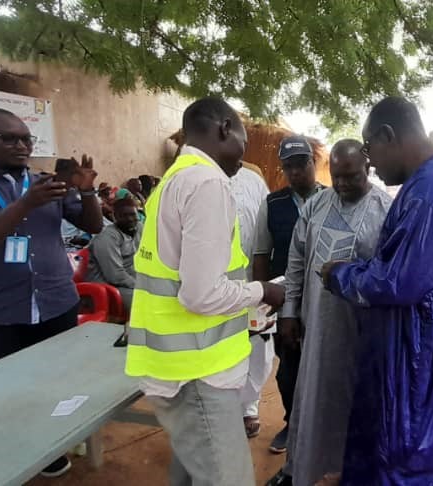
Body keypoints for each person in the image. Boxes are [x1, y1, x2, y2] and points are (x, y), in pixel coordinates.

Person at [318, 97, 433, 484]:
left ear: (388, 135)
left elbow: (401, 281)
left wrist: (341, 275)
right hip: (424, 356)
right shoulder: (431, 183)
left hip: (425, 367)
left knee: (412, 465)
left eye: (370, 150)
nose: (372, 165)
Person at [124, 97, 285, 486]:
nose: (241, 159)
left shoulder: (175, 179)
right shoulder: (207, 182)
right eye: (242, 145)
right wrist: (261, 290)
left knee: (192, 470)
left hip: (179, 366)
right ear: (224, 129)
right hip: (197, 373)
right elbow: (200, 295)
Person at [0, 108, 103, 478]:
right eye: (7, 138)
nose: (21, 146)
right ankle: (4, 455)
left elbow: (93, 224)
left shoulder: (45, 183)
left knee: (57, 382)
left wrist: (86, 190)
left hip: (56, 302)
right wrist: (24, 205)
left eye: (26, 139)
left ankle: (51, 446)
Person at [281, 140, 392, 486]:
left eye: (351, 176)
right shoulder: (316, 206)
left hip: (361, 331)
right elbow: (297, 259)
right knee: (314, 397)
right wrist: (289, 310)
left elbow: (390, 273)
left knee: (356, 402)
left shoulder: (385, 210)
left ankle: (353, 473)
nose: (342, 184)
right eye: (338, 176)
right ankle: (305, 469)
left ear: (368, 169)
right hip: (317, 325)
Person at [253, 134, 324, 456]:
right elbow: (260, 254)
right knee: (288, 371)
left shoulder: (333, 199)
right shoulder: (273, 204)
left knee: (326, 367)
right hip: (287, 303)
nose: (296, 173)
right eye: (289, 167)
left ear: (314, 163)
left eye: (302, 165)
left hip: (326, 301)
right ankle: (293, 425)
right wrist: (263, 300)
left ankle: (323, 429)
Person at [229, 159, 273, 438]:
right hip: (211, 283)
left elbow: (264, 232)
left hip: (251, 279)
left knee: (257, 344)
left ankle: (249, 406)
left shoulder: (253, 181)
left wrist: (262, 281)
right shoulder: (194, 178)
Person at [87, 198, 141, 309]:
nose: (130, 219)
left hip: (131, 281)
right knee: (150, 302)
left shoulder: (139, 227)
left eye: (133, 214)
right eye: (124, 215)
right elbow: (115, 276)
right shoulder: (107, 238)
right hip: (108, 288)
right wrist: (142, 286)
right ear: (114, 217)